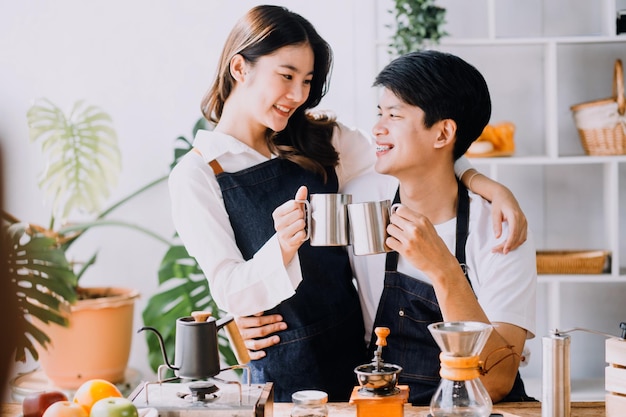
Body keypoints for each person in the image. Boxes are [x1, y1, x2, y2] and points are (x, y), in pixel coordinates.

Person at [169, 5, 528, 402]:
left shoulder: (323, 140)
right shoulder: (198, 174)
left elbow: (418, 155)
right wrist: (280, 250)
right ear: (240, 68)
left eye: (307, 81)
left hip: (358, 366)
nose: (298, 95)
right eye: (286, 76)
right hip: (285, 375)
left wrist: (485, 185)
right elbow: (229, 288)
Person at [343, 50, 537, 405]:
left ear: (443, 133)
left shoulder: (500, 230)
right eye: (379, 113)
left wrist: (443, 268)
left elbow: (497, 380)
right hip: (388, 405)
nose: (377, 128)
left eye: (394, 115)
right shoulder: (358, 199)